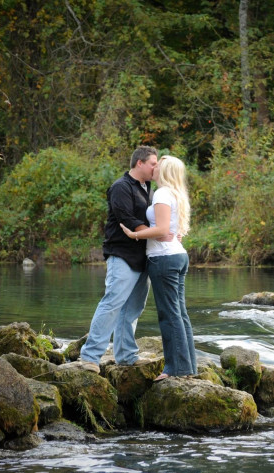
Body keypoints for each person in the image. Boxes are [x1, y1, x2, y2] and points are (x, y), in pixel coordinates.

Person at [75, 146, 159, 373]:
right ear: (139, 163)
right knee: (112, 303)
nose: (156, 167)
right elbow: (127, 219)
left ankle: (126, 356)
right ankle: (90, 357)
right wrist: (159, 233)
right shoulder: (120, 187)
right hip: (121, 254)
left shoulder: (148, 188)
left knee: (132, 309)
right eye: (153, 163)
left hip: (143, 256)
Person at [120, 155, 195, 381]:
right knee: (180, 314)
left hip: (164, 258)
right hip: (177, 256)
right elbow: (171, 229)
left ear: (165, 170)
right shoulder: (175, 193)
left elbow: (162, 230)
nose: (154, 167)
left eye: (158, 164)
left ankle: (175, 369)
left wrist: (135, 234)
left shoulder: (162, 193)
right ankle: (188, 366)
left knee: (169, 315)